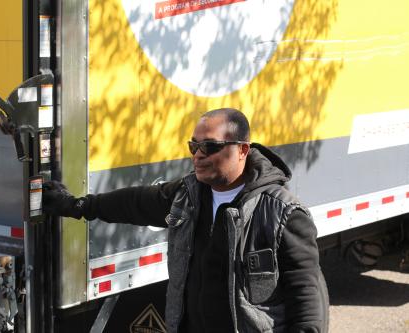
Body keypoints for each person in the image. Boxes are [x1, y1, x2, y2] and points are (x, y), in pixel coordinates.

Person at [43, 108, 328, 333]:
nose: (199, 155)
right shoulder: (187, 196)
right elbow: (133, 203)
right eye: (194, 146)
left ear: (242, 149)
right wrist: (76, 205)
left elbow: (306, 299)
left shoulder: (283, 214)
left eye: (211, 146)